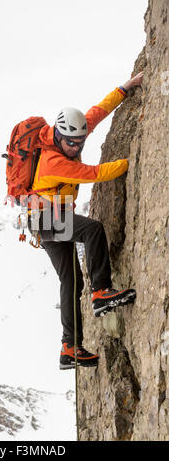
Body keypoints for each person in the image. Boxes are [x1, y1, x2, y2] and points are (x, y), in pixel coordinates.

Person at [28, 72, 143, 370]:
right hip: (45, 218)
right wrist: (134, 159)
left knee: (72, 279)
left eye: (80, 142)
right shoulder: (54, 162)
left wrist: (124, 89)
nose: (77, 148)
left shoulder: (70, 135)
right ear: (58, 136)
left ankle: (69, 347)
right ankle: (102, 292)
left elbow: (96, 112)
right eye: (72, 143)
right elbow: (95, 173)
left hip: (47, 218)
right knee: (92, 230)